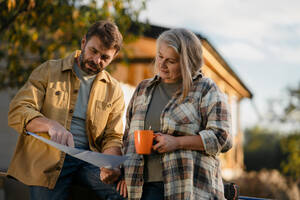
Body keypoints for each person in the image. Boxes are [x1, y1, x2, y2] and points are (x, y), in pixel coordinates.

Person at [8, 20, 126, 200]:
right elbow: (18, 110)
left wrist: (111, 164)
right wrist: (49, 125)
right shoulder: (49, 70)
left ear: (114, 57)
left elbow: (113, 137)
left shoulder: (114, 90)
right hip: (48, 160)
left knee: (127, 193)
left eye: (105, 57)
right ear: (83, 42)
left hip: (90, 162)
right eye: (93, 51)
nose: (96, 60)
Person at [118, 28, 232, 199]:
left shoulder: (205, 89)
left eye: (170, 61)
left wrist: (177, 142)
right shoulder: (143, 89)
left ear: (187, 63)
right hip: (141, 188)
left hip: (187, 189)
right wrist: (123, 174)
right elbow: (127, 137)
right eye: (160, 56)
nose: (162, 64)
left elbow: (223, 138)